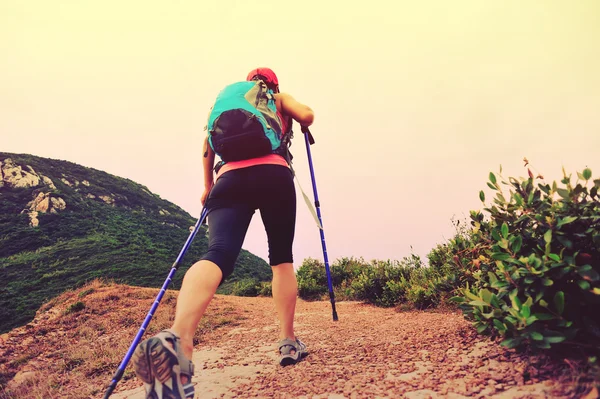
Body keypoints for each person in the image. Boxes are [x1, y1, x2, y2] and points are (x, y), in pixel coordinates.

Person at [132, 67, 315, 399]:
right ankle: (288, 341)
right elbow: (309, 115)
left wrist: (208, 186)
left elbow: (207, 144)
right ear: (271, 85)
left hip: (228, 179)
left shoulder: (229, 103)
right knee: (281, 259)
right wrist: (299, 120)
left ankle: (179, 337)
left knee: (217, 253)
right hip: (274, 175)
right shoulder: (277, 99)